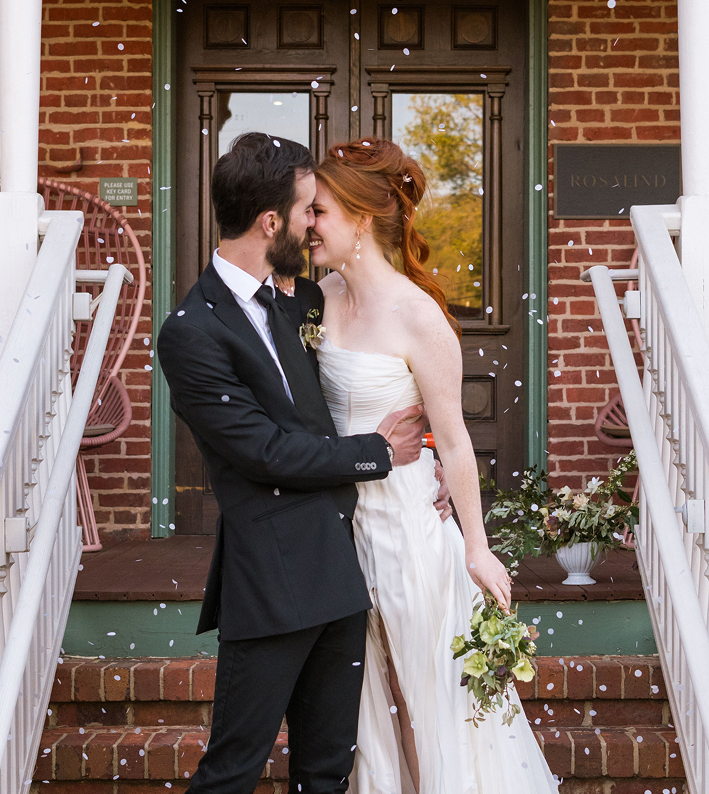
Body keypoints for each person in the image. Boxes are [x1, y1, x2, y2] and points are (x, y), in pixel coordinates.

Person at [156, 132, 427, 794]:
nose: (314, 225)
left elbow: (367, 378)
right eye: (308, 209)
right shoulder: (191, 332)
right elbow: (260, 451)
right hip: (272, 579)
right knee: (232, 769)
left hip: (340, 569)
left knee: (327, 767)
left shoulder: (303, 304)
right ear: (270, 221)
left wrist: (431, 461)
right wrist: (376, 455)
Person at [309, 138, 560, 794]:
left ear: (362, 219)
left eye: (320, 212)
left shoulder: (418, 317)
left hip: (407, 532)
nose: (307, 224)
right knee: (363, 707)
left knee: (424, 699)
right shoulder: (323, 298)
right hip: (336, 530)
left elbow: (452, 444)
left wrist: (476, 548)